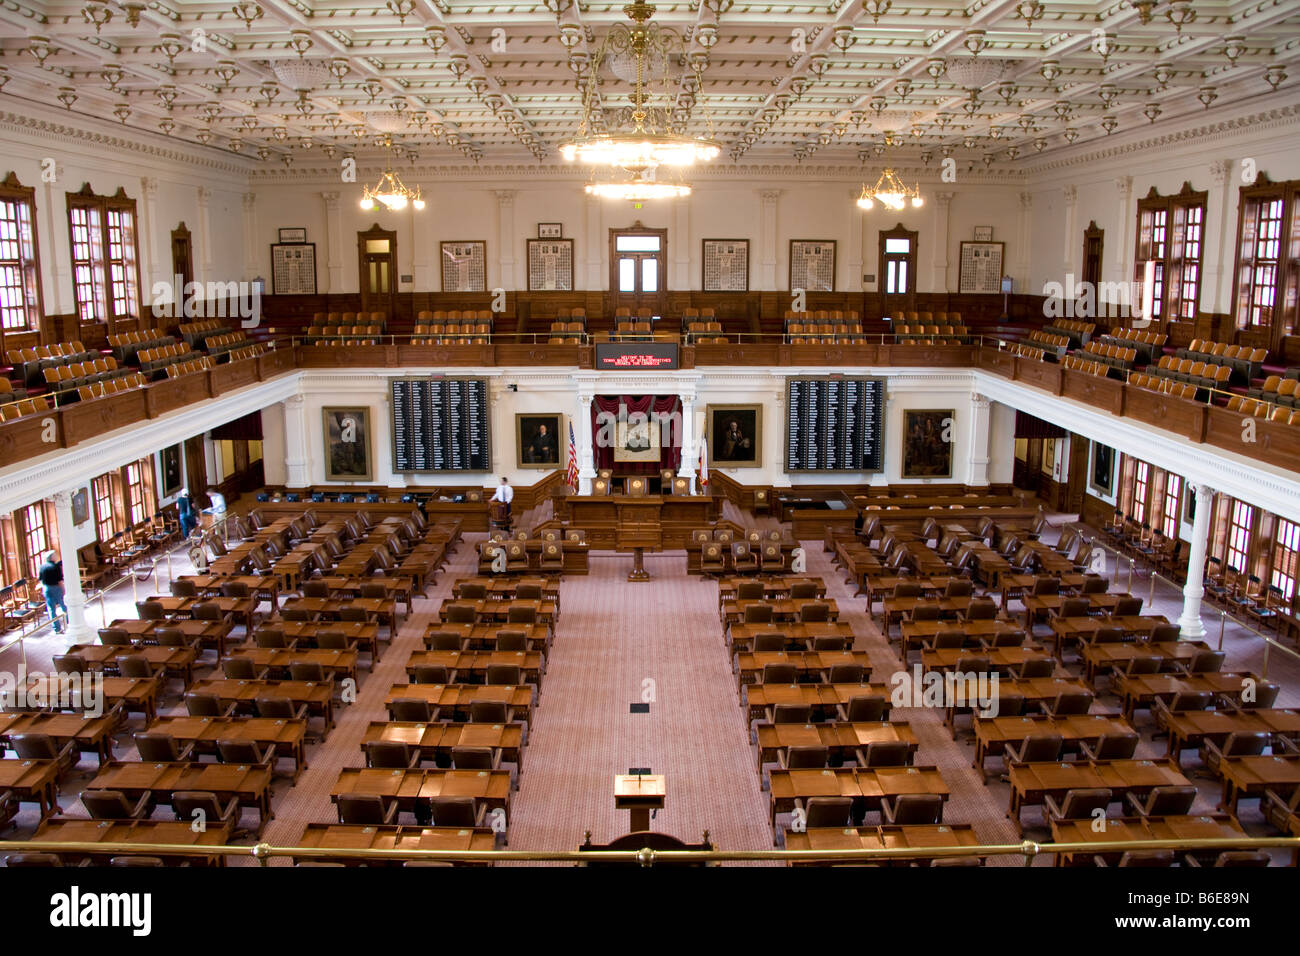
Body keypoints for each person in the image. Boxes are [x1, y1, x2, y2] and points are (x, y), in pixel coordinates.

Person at [38, 551, 67, 635]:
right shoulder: (55, 566)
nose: (56, 556)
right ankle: (69, 622)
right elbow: (60, 581)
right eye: (55, 555)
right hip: (56, 587)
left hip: (46, 588)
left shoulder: (42, 566)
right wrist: (63, 590)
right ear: (52, 557)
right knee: (63, 605)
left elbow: (40, 579)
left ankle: (57, 629)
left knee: (51, 609)